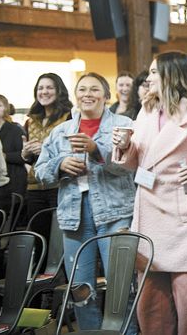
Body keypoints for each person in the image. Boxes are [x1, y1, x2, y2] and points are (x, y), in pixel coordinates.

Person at [112, 51, 187, 335]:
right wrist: (124, 146)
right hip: (149, 217)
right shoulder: (146, 111)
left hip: (185, 222)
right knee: (150, 307)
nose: (149, 77)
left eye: (155, 72)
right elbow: (138, 162)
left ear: (171, 75)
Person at [35, 73, 136, 331]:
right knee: (80, 289)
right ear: (75, 95)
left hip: (116, 214)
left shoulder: (123, 124)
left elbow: (130, 167)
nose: (87, 94)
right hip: (74, 215)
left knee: (120, 286)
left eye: (94, 89)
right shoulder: (61, 131)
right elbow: (40, 171)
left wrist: (96, 150)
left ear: (106, 95)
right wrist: (60, 165)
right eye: (82, 89)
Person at [23, 73, 73, 227]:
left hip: (59, 185)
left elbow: (73, 151)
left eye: (49, 87)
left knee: (59, 240)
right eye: (40, 88)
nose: (44, 91)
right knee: (37, 239)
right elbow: (30, 159)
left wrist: (44, 148)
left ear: (59, 91)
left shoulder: (69, 117)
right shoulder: (30, 121)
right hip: (34, 186)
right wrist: (25, 155)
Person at [0, 94, 27, 210]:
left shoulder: (15, 129)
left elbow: (23, 156)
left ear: (5, 109)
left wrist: (4, 156)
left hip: (12, 179)